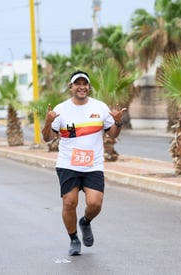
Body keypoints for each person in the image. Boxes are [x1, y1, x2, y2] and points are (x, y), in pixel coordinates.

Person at [41, 70, 127, 256]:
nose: (82, 87)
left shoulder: (101, 108)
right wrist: (47, 123)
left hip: (93, 165)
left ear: (88, 86)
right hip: (68, 164)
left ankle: (85, 222)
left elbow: (112, 135)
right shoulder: (61, 109)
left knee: (95, 204)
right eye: (77, 83)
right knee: (69, 203)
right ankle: (73, 239)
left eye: (85, 83)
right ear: (70, 87)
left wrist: (118, 123)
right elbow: (47, 139)